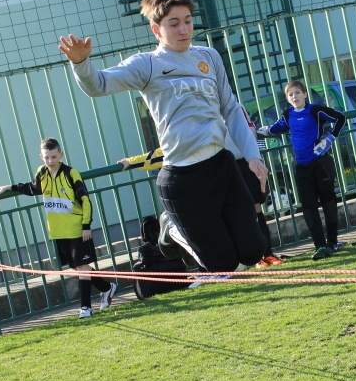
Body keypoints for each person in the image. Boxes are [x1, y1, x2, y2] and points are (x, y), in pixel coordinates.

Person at [59, 0, 267, 274]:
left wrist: (252, 154)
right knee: (222, 263)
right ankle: (170, 227)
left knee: (253, 251)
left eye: (187, 21)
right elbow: (100, 85)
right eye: (173, 24)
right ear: (157, 30)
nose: (183, 30)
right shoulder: (147, 65)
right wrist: (81, 63)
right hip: (183, 177)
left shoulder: (208, 57)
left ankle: (188, 230)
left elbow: (231, 109)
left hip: (222, 166)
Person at [119, 110, 284, 269]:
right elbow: (161, 154)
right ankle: (175, 230)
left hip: (225, 173)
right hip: (194, 185)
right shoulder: (186, 129)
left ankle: (259, 256)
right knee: (216, 254)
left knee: (246, 247)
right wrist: (133, 161)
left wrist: (254, 157)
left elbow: (246, 132)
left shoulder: (226, 111)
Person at [0, 137, 116, 319]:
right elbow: (33, 188)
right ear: (41, 156)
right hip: (57, 230)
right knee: (77, 267)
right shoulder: (42, 172)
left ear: (61, 155)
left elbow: (85, 200)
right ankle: (107, 288)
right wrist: (10, 187)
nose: (50, 161)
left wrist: (86, 226)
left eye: (53, 157)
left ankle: (85, 308)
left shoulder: (71, 173)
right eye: (46, 157)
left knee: (82, 266)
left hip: (76, 228)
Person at [257, 80, 346, 260]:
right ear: (287, 99)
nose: (294, 97)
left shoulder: (315, 110)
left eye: (297, 93)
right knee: (308, 207)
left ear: (305, 94)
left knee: (328, 201)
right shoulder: (288, 114)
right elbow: (275, 128)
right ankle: (320, 245)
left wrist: (328, 138)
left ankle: (333, 242)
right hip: (302, 167)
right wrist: (256, 131)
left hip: (320, 164)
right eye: (291, 95)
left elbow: (340, 118)